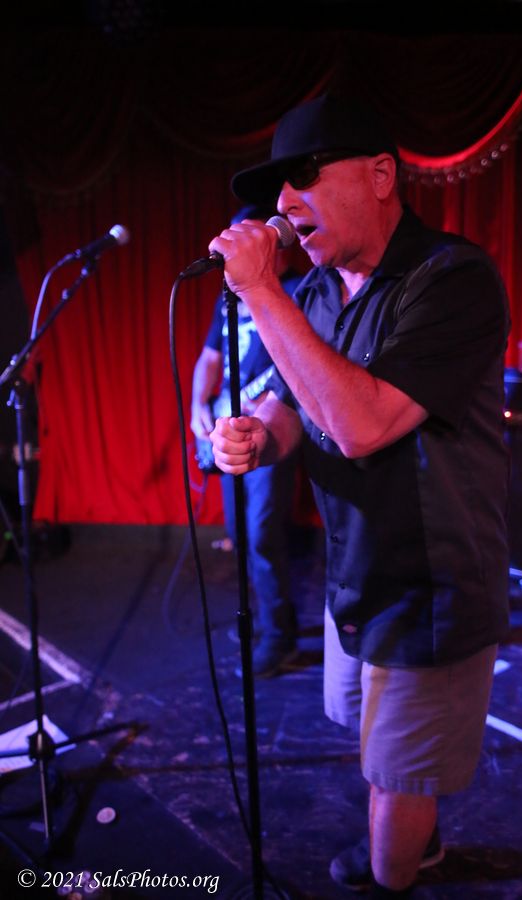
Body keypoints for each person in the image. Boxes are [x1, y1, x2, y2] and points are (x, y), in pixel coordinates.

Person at [208, 94, 511, 898]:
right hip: (356, 575)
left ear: (380, 175)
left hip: (431, 587)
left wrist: (260, 292)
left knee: (394, 787)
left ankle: (396, 876)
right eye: (276, 187)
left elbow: (361, 425)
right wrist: (257, 436)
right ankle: (421, 837)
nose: (283, 202)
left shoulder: (452, 280)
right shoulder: (313, 294)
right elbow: (291, 404)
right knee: (376, 743)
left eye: (305, 174)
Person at [190, 205, 302, 678]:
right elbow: (210, 357)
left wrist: (267, 403)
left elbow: (300, 364)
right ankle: (260, 620)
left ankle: (280, 637)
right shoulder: (229, 297)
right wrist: (199, 402)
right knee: (240, 536)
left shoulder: (297, 291)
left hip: (270, 428)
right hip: (230, 425)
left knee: (262, 535)